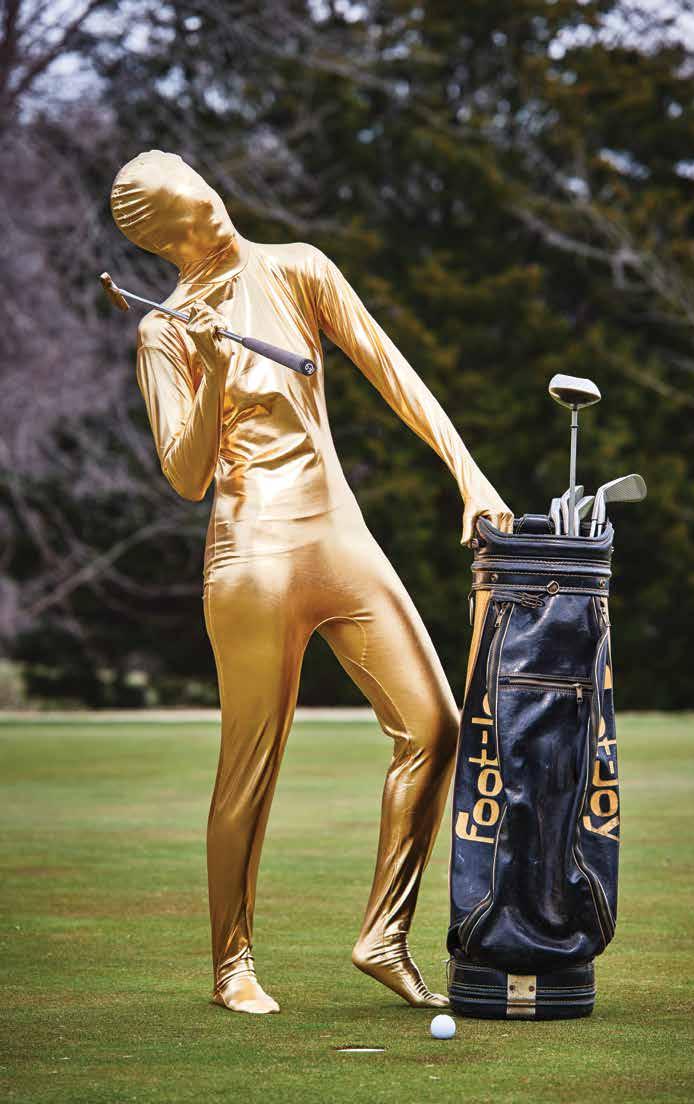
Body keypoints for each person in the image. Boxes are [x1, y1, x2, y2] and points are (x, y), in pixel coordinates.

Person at [110, 150, 514, 1015]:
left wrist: (469, 474)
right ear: (165, 241)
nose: (214, 213)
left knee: (435, 727)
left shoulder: (296, 268)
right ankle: (231, 965)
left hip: (338, 537)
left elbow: (390, 368)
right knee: (250, 769)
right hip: (251, 555)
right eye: (192, 213)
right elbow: (184, 475)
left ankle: (383, 936)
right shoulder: (164, 330)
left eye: (207, 193)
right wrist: (215, 373)